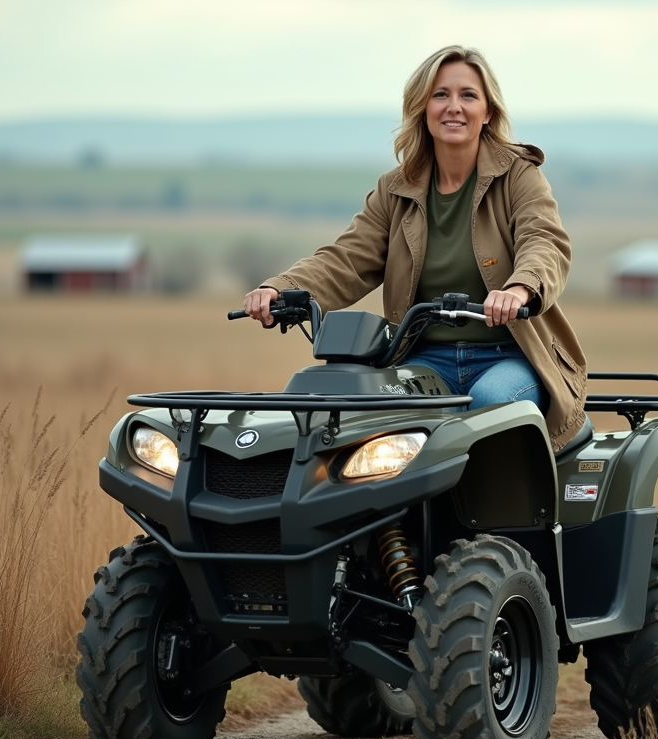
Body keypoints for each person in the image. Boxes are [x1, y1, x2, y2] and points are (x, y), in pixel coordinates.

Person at [244, 45, 587, 452]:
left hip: (509, 355)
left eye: (468, 96)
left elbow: (543, 240)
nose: (453, 107)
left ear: (488, 111)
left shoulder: (519, 176)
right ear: (422, 107)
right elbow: (348, 258)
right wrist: (281, 288)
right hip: (424, 358)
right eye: (440, 95)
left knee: (489, 403)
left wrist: (520, 288)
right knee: (362, 411)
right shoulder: (396, 188)